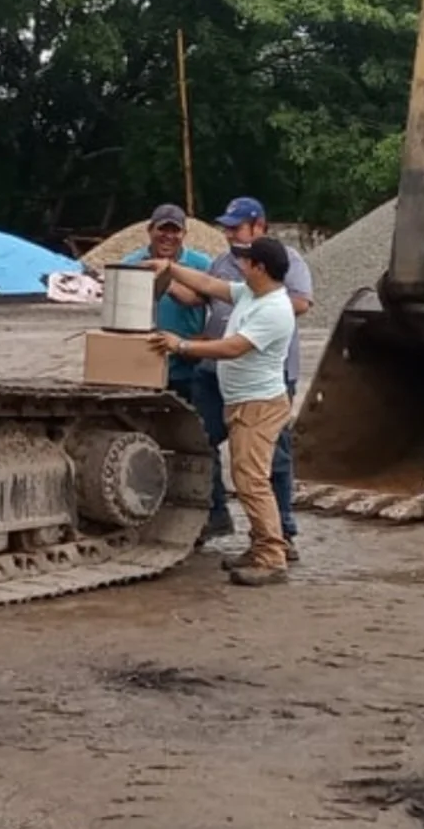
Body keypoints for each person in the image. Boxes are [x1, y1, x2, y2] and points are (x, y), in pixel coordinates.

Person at [143, 236, 300, 586]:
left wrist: (181, 345)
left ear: (260, 268)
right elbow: (209, 284)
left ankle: (272, 557)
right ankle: (261, 546)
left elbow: (233, 347)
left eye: (246, 262)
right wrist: (169, 268)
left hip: (258, 405)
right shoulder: (251, 293)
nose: (240, 266)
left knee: (251, 481)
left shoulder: (274, 308)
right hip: (244, 400)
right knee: (249, 479)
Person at [200, 196, 313, 558]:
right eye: (227, 227)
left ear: (259, 226)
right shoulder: (225, 262)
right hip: (222, 377)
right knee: (202, 442)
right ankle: (216, 515)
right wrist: (168, 273)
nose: (229, 234)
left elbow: (299, 303)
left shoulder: (283, 265)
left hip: (265, 380)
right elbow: (208, 291)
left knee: (266, 463)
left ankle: (279, 536)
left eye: (236, 227)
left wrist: (256, 305)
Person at [114, 204, 212, 399]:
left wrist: (167, 282)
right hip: (141, 362)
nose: (168, 236)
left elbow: (211, 304)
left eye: (175, 230)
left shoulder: (202, 265)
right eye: (162, 229)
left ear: (184, 233)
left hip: (186, 365)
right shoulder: (131, 264)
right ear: (150, 230)